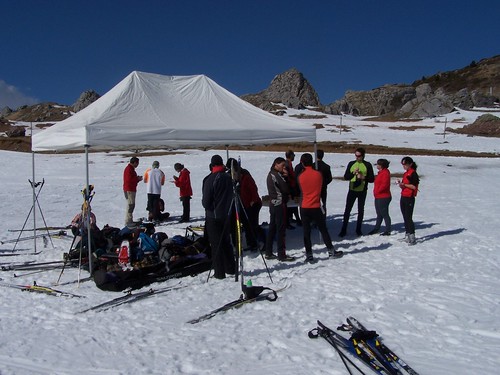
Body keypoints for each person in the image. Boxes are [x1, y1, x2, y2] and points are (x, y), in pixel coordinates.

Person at [298, 153, 344, 263]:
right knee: (323, 229)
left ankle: (309, 255)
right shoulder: (318, 174)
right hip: (315, 206)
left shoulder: (300, 176)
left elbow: (300, 190)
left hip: (304, 206)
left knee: (306, 232)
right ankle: (331, 251)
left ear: (302, 163)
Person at [202, 154, 236, 279]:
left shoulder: (210, 179)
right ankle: (231, 268)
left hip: (214, 216)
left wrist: (210, 208)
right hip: (227, 215)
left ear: (212, 165)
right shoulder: (228, 177)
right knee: (226, 242)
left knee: (216, 244)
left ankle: (219, 272)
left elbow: (206, 202)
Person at [226, 158, 262, 251]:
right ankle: (244, 243)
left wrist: (253, 201)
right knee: (243, 224)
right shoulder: (234, 176)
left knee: (251, 225)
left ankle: (254, 243)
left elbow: (253, 189)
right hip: (242, 204)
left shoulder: (245, 177)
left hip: (251, 204)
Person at [339, 147, 375, 237]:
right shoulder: (351, 163)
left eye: (359, 156)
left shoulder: (367, 165)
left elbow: (372, 179)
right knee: (347, 210)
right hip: (352, 190)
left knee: (360, 210)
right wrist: (353, 173)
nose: (357, 157)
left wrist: (364, 177)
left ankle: (358, 229)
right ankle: (344, 229)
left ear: (363, 156)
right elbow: (346, 177)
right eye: (356, 155)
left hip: (362, 191)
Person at [264, 157, 295, 262]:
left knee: (272, 228)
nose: (283, 168)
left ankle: (268, 252)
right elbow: (285, 189)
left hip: (273, 204)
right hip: (279, 204)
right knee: (281, 229)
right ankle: (282, 254)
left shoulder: (272, 174)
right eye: (282, 166)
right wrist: (286, 177)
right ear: (276, 164)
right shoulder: (276, 175)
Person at [398, 156, 420, 245]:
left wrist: (405, 185)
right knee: (405, 216)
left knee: (408, 217)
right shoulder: (406, 173)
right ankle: (407, 234)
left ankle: (412, 236)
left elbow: (414, 186)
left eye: (406, 165)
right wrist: (401, 185)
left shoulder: (413, 173)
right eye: (403, 165)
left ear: (410, 164)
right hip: (403, 196)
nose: (404, 166)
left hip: (409, 197)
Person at [369, 159, 392, 236]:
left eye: (378, 164)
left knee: (384, 213)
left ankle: (388, 230)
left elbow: (384, 185)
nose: (377, 165)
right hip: (378, 196)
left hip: (384, 196)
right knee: (379, 213)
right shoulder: (380, 173)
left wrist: (378, 191)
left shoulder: (385, 173)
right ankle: (377, 228)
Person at [123, 157, 143, 227]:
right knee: (130, 205)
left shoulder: (130, 169)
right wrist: (137, 178)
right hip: (129, 189)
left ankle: (129, 220)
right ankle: (128, 221)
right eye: (137, 163)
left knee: (131, 205)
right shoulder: (129, 169)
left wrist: (137, 179)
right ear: (134, 162)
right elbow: (129, 180)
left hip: (130, 189)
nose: (137, 165)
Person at [284, 150, 301, 228]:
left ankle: (294, 219)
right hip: (290, 188)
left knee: (293, 205)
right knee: (291, 205)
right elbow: (287, 178)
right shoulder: (287, 165)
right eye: (293, 155)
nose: (294, 156)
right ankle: (289, 221)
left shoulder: (288, 164)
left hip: (291, 187)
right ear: (290, 156)